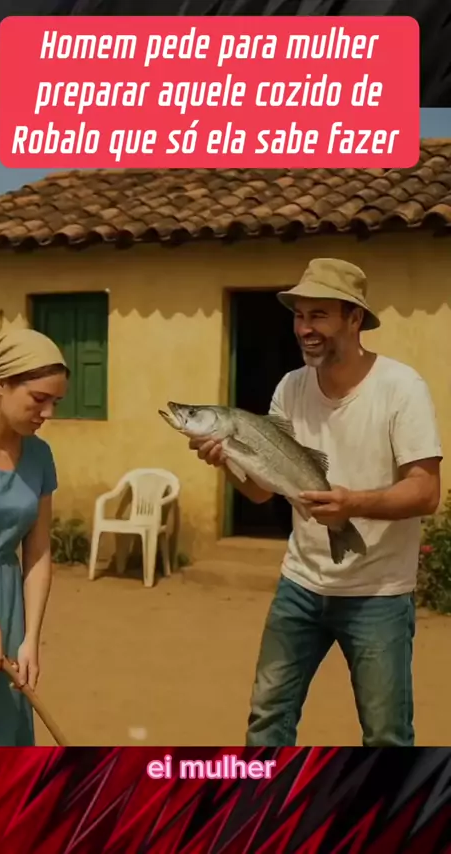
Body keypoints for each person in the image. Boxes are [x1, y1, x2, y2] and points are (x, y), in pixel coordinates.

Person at [189, 258, 442, 747]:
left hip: (379, 594)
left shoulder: (401, 388)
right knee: (267, 721)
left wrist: (353, 504)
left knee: (386, 736)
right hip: (300, 585)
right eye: (300, 315)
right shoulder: (291, 386)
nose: (305, 328)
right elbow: (263, 490)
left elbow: (426, 491)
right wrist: (226, 461)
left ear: (354, 318)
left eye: (319, 315)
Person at [0, 327, 68, 746]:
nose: (48, 413)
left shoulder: (40, 455)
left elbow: (39, 551)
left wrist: (30, 639)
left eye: (55, 402)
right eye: (39, 398)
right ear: (1, 384)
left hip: (6, 609)